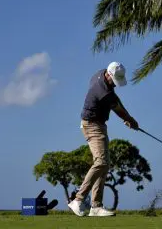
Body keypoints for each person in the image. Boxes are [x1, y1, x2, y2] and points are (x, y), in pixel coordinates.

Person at [68, 61, 139, 217]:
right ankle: (78, 200)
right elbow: (118, 108)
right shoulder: (103, 91)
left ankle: (96, 206)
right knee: (101, 162)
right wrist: (130, 120)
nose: (115, 84)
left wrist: (127, 118)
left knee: (104, 164)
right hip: (92, 126)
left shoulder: (99, 74)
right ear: (109, 75)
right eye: (114, 81)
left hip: (96, 124)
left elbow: (116, 100)